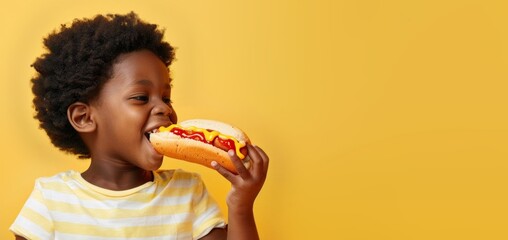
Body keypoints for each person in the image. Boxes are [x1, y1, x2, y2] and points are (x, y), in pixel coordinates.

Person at [10, 12, 269, 240]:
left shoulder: (187, 191)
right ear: (84, 118)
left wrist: (241, 205)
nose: (164, 109)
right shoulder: (51, 199)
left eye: (166, 98)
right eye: (141, 98)